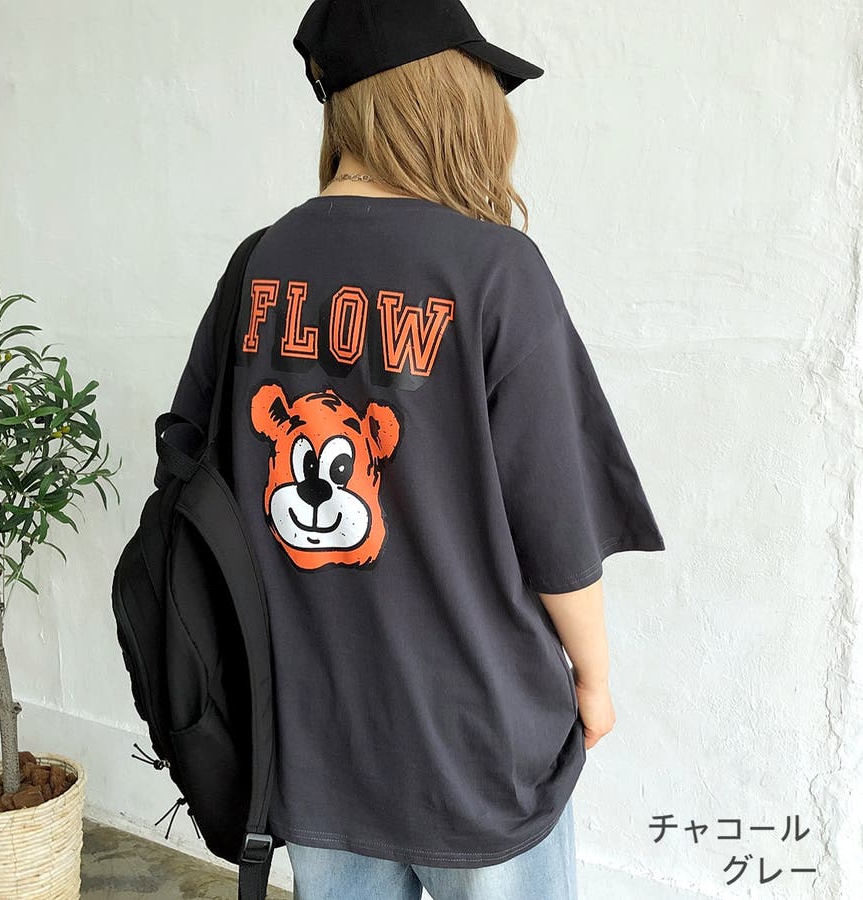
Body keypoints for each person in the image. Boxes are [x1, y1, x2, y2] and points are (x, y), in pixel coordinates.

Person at [157, 1, 666, 897]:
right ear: (443, 96)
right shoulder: (494, 269)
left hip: (313, 744)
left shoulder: (256, 266)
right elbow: (559, 529)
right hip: (478, 749)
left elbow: (194, 480)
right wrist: (594, 679)